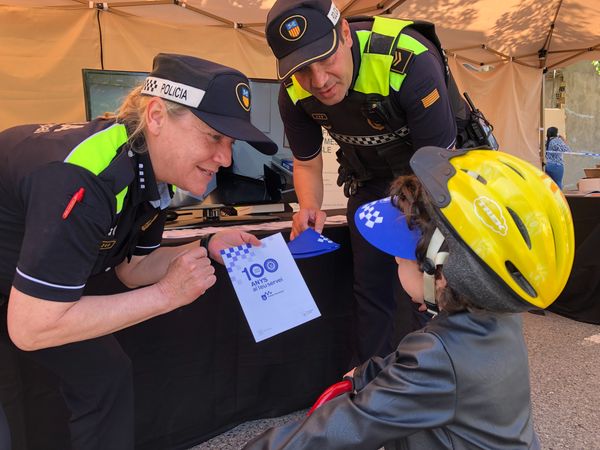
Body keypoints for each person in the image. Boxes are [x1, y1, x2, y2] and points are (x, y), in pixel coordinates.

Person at [0, 53, 277, 450]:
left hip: (16, 278)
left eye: (230, 143)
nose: (226, 158)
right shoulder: (84, 176)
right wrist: (166, 295)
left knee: (105, 373)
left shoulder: (151, 173)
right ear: (157, 116)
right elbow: (32, 327)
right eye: (214, 136)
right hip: (22, 297)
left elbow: (135, 268)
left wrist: (206, 244)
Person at [243, 146, 575, 450]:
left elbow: (343, 429)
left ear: (441, 273)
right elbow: (421, 370)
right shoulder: (494, 318)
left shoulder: (437, 356)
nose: (395, 262)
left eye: (400, 259)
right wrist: (366, 374)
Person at [265, 0, 457, 363]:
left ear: (345, 35)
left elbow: (438, 168)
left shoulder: (410, 61)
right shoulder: (293, 92)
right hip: (371, 180)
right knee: (370, 288)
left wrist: (415, 233)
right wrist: (309, 207)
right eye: (304, 70)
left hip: (436, 178)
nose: (318, 81)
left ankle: (434, 378)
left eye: (326, 59)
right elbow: (306, 163)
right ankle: (373, 382)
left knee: (431, 286)